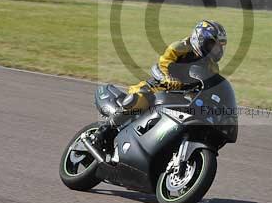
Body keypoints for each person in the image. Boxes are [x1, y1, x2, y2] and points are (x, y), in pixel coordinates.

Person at [92, 20, 227, 150]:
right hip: (157, 88)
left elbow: (209, 88)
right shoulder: (181, 47)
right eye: (213, 45)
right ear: (201, 39)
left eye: (219, 47)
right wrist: (168, 79)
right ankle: (104, 130)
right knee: (140, 99)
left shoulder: (212, 67)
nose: (216, 51)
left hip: (181, 98)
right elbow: (161, 64)